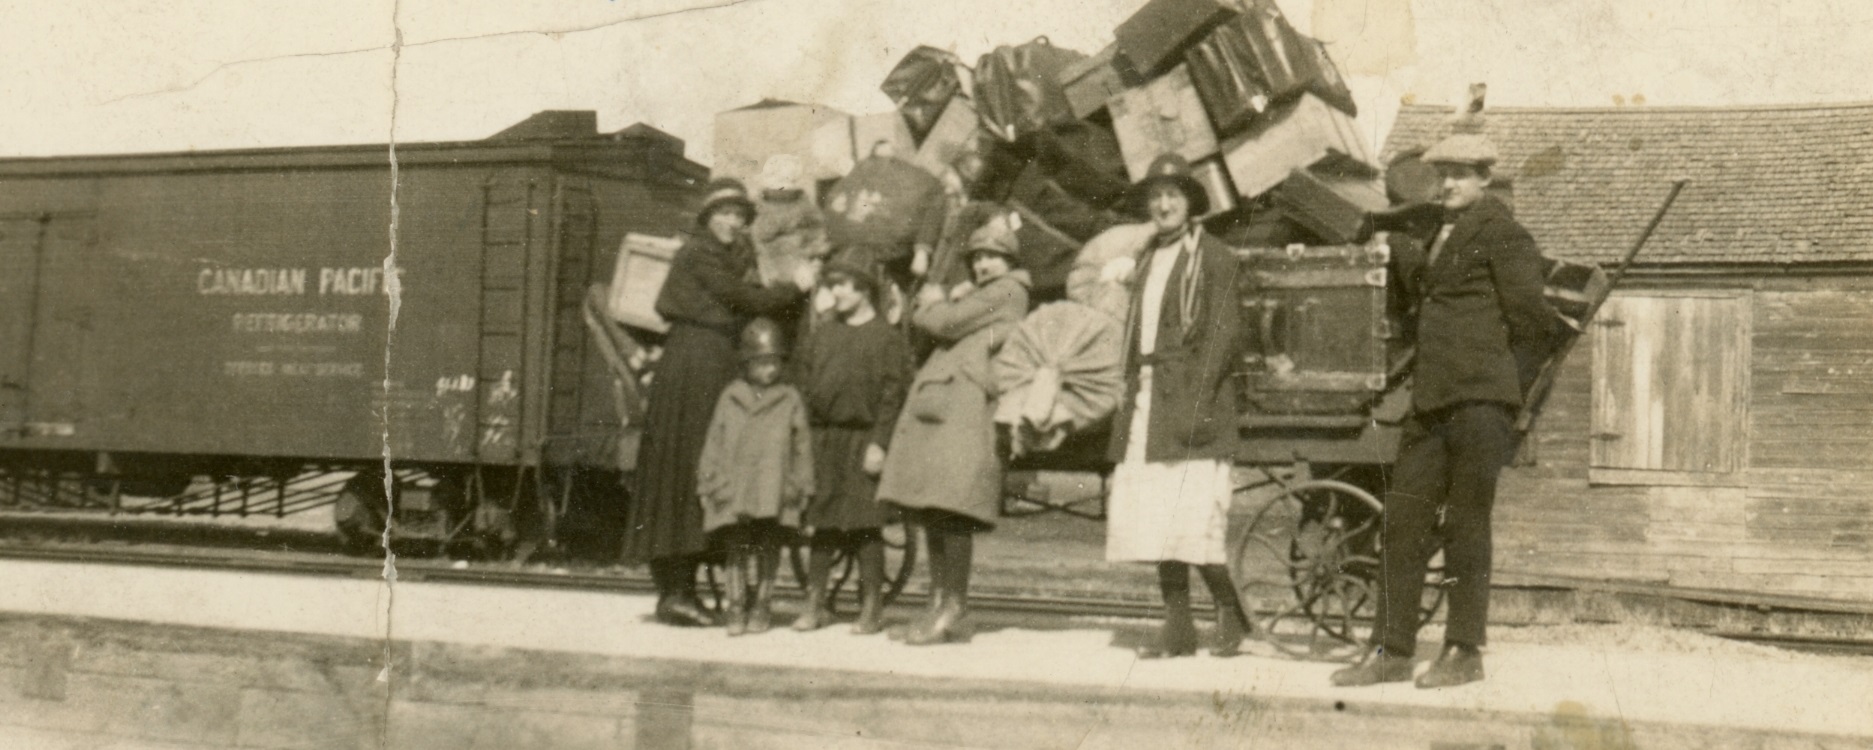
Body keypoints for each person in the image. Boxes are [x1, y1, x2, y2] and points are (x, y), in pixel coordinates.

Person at [1332, 133, 1558, 688]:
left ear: (1485, 177)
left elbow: (1534, 326)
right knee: (1404, 520)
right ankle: (1391, 650)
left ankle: (1464, 652)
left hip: (1480, 405)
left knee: (1465, 525)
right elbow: (1431, 301)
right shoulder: (1437, 232)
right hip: (1431, 403)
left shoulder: (1505, 234)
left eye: (1462, 173)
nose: (1450, 182)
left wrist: (1505, 399)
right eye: (1444, 174)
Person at [622, 177, 814, 628]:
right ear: (708, 217)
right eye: (725, 214)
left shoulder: (724, 254)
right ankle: (675, 594)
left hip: (706, 362)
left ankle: (681, 589)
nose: (733, 223)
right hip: (695, 366)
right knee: (688, 466)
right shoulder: (700, 253)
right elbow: (741, 298)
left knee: (696, 467)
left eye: (740, 216)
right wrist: (797, 288)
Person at [1102, 154, 1253, 659]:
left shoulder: (1213, 257)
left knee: (1191, 519)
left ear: (1190, 203)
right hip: (1149, 398)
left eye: (1173, 195)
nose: (1163, 204)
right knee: (1155, 518)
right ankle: (1178, 626)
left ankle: (1229, 613)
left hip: (1190, 400)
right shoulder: (1147, 258)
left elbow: (1223, 336)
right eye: (1156, 196)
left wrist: (1198, 401)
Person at [876, 214, 1030, 645]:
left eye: (993, 258)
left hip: (967, 409)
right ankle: (940, 603)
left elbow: (944, 323)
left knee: (953, 509)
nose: (983, 266)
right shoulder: (987, 292)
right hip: (950, 407)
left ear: (1010, 262)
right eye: (978, 258)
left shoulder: (1009, 290)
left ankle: (953, 606)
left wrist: (932, 301)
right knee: (937, 507)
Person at [789, 249, 913, 634]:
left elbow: (894, 397)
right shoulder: (822, 335)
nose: (835, 293)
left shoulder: (886, 339)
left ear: (863, 291)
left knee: (865, 525)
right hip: (824, 439)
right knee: (822, 522)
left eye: (842, 286)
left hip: (864, 440)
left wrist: (880, 443)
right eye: (831, 286)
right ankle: (814, 604)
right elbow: (803, 385)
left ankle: (871, 607)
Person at [696, 319, 814, 636]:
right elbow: (714, 443)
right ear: (746, 364)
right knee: (736, 548)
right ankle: (736, 607)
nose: (770, 370)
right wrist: (710, 482)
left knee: (768, 548)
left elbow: (802, 447)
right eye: (762, 363)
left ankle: (761, 606)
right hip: (735, 490)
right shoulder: (730, 397)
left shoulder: (789, 399)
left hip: (773, 491)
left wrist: (800, 486)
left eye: (775, 362)